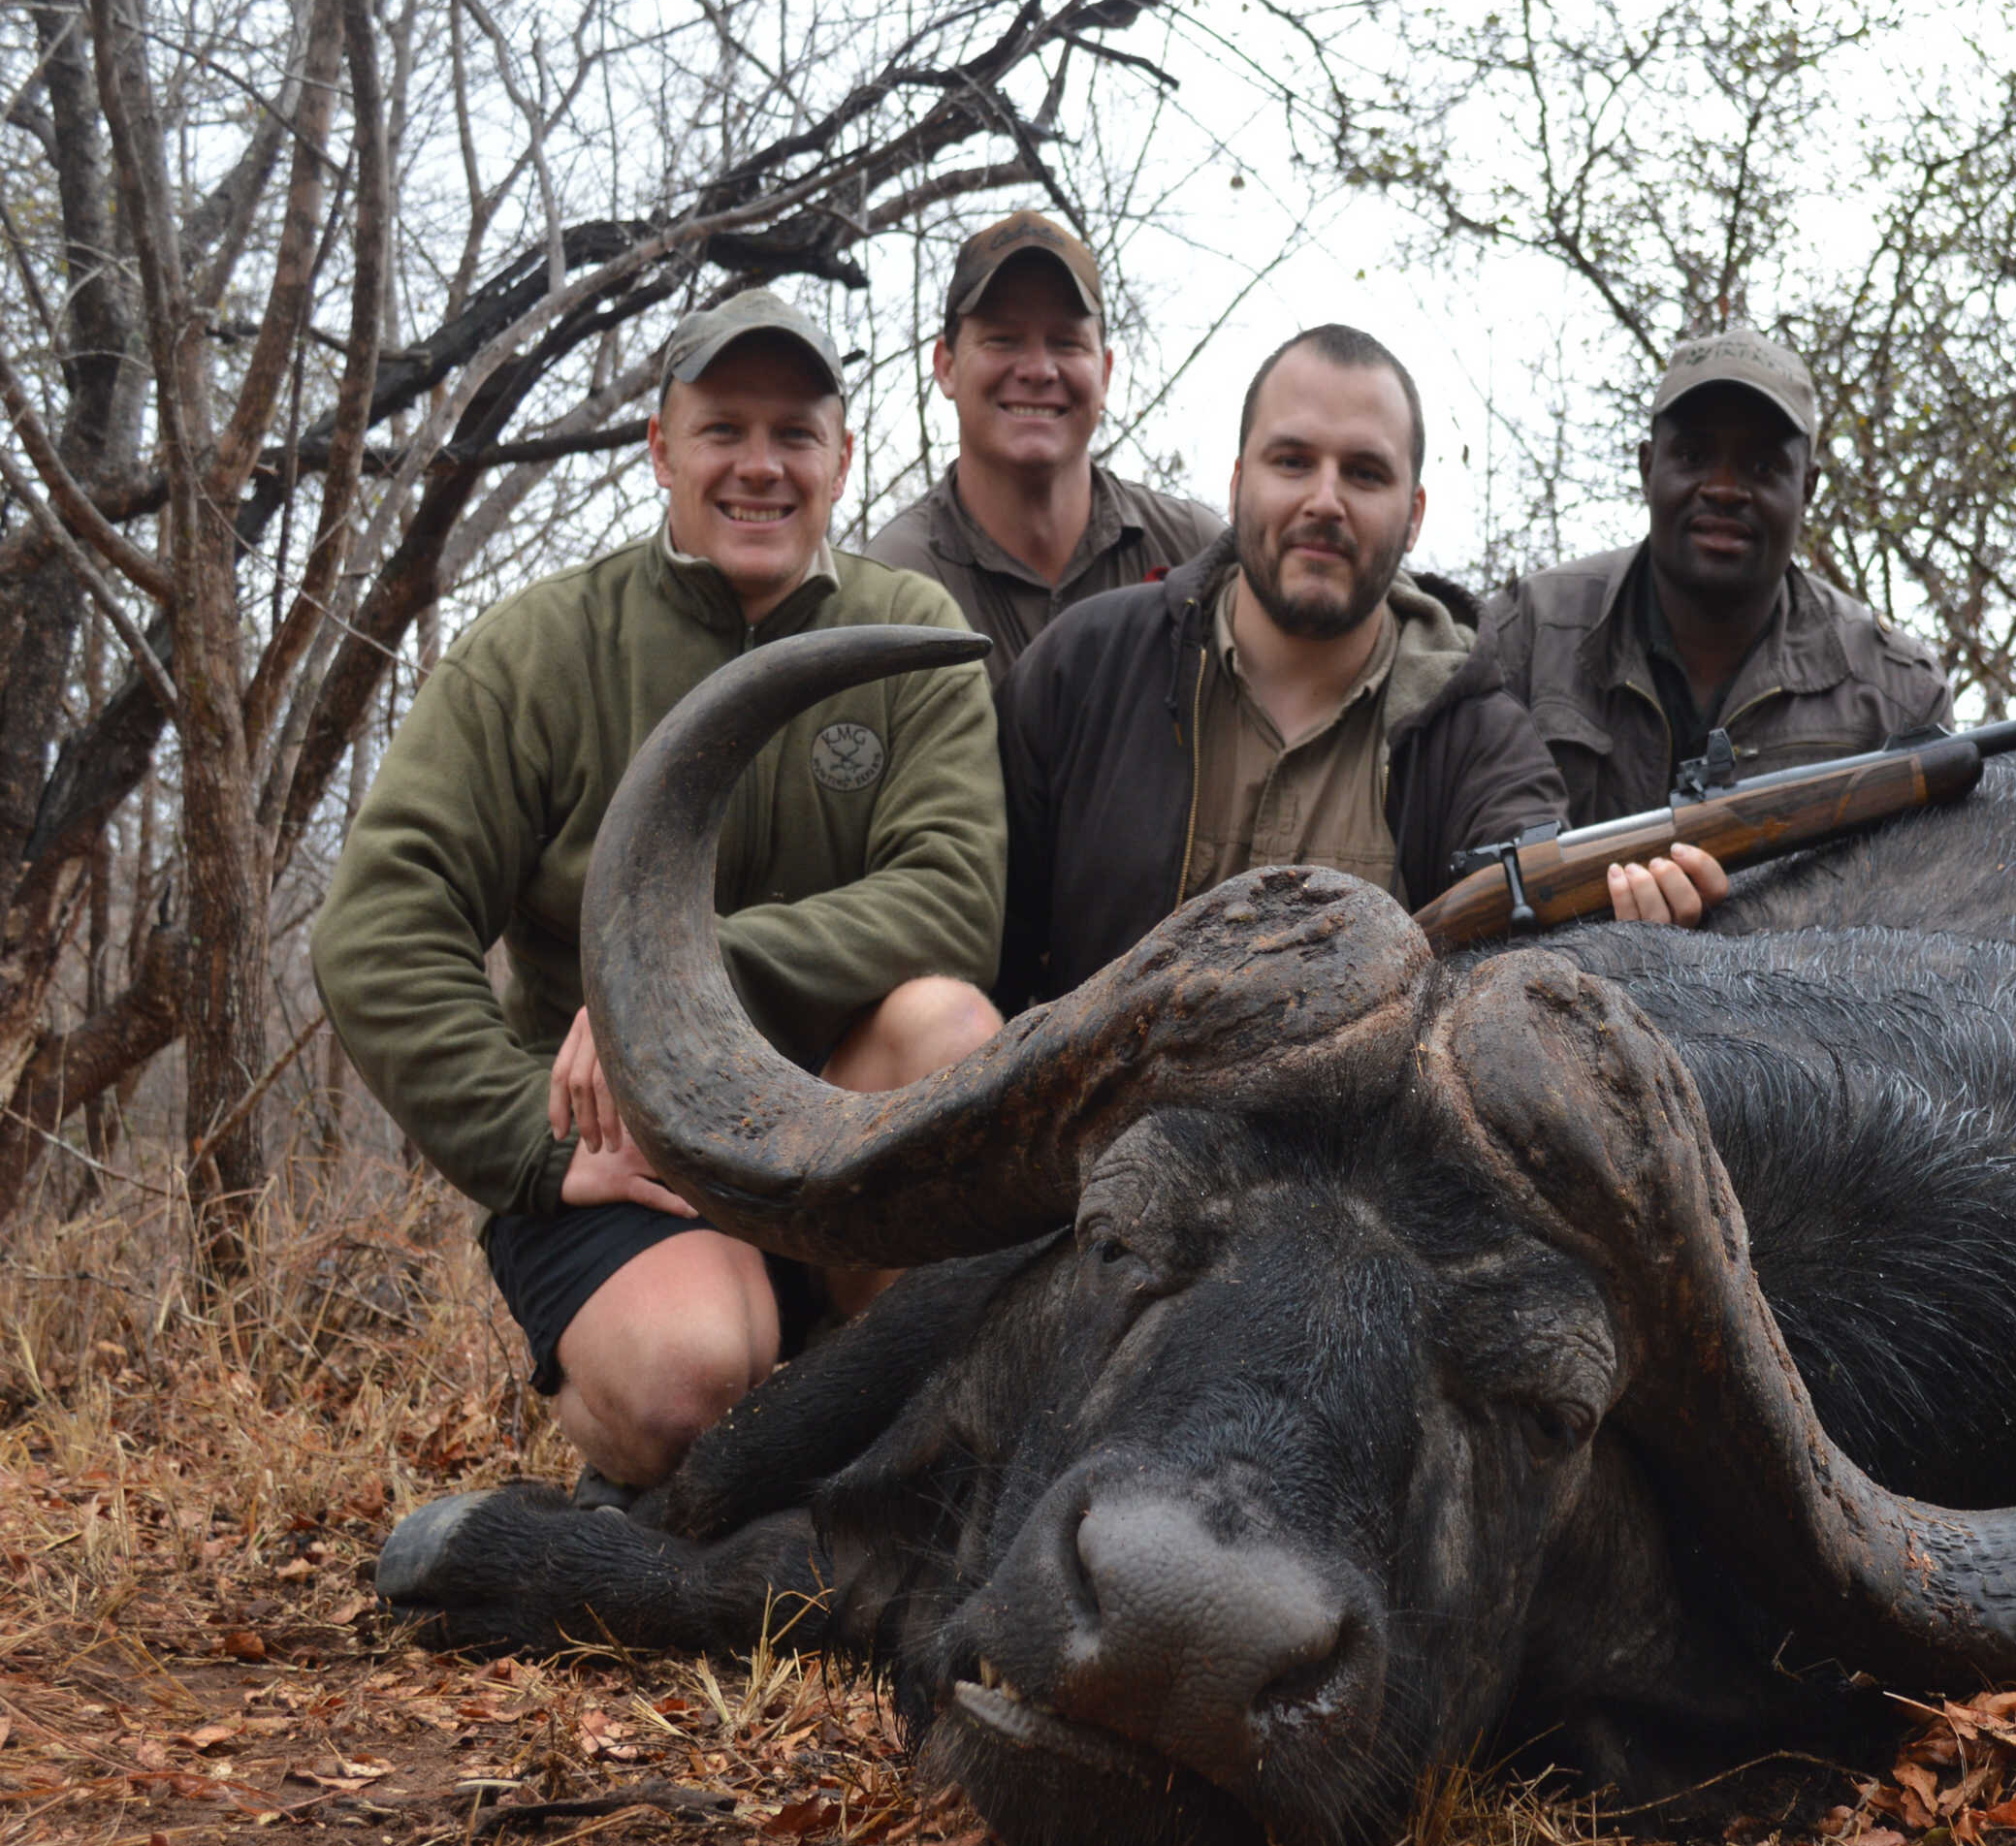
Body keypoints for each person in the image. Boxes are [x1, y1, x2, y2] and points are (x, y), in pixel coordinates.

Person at [313, 289, 1008, 1494]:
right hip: (624, 1151)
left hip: (821, 1126)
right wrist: (531, 1139)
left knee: (950, 1026)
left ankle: (877, 1445)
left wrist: (690, 975)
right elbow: (380, 928)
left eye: (795, 434)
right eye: (722, 429)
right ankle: (699, 1422)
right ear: (661, 451)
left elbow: (951, 897)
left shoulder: (913, 632)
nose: (760, 466)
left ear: (843, 459)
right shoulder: (536, 649)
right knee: (690, 1386)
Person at [994, 323, 1724, 1009]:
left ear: (1413, 514)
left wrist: (1634, 940)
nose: (1325, 501)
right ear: (1238, 481)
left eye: (1366, 474)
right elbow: (991, 963)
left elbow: (1533, 977)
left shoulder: (1480, 740)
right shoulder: (1084, 666)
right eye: (1292, 462)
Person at [1480, 327, 1951, 826]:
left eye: (1763, 466)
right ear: (1647, 468)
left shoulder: (1898, 696)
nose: (1724, 489)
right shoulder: (1523, 637)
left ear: (1808, 488)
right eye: (1692, 457)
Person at [862, 209, 1224, 677]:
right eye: (1002, 339)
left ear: (1106, 372)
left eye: (1067, 343)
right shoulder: (894, 582)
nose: (1038, 369)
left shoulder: (1190, 551)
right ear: (946, 366)